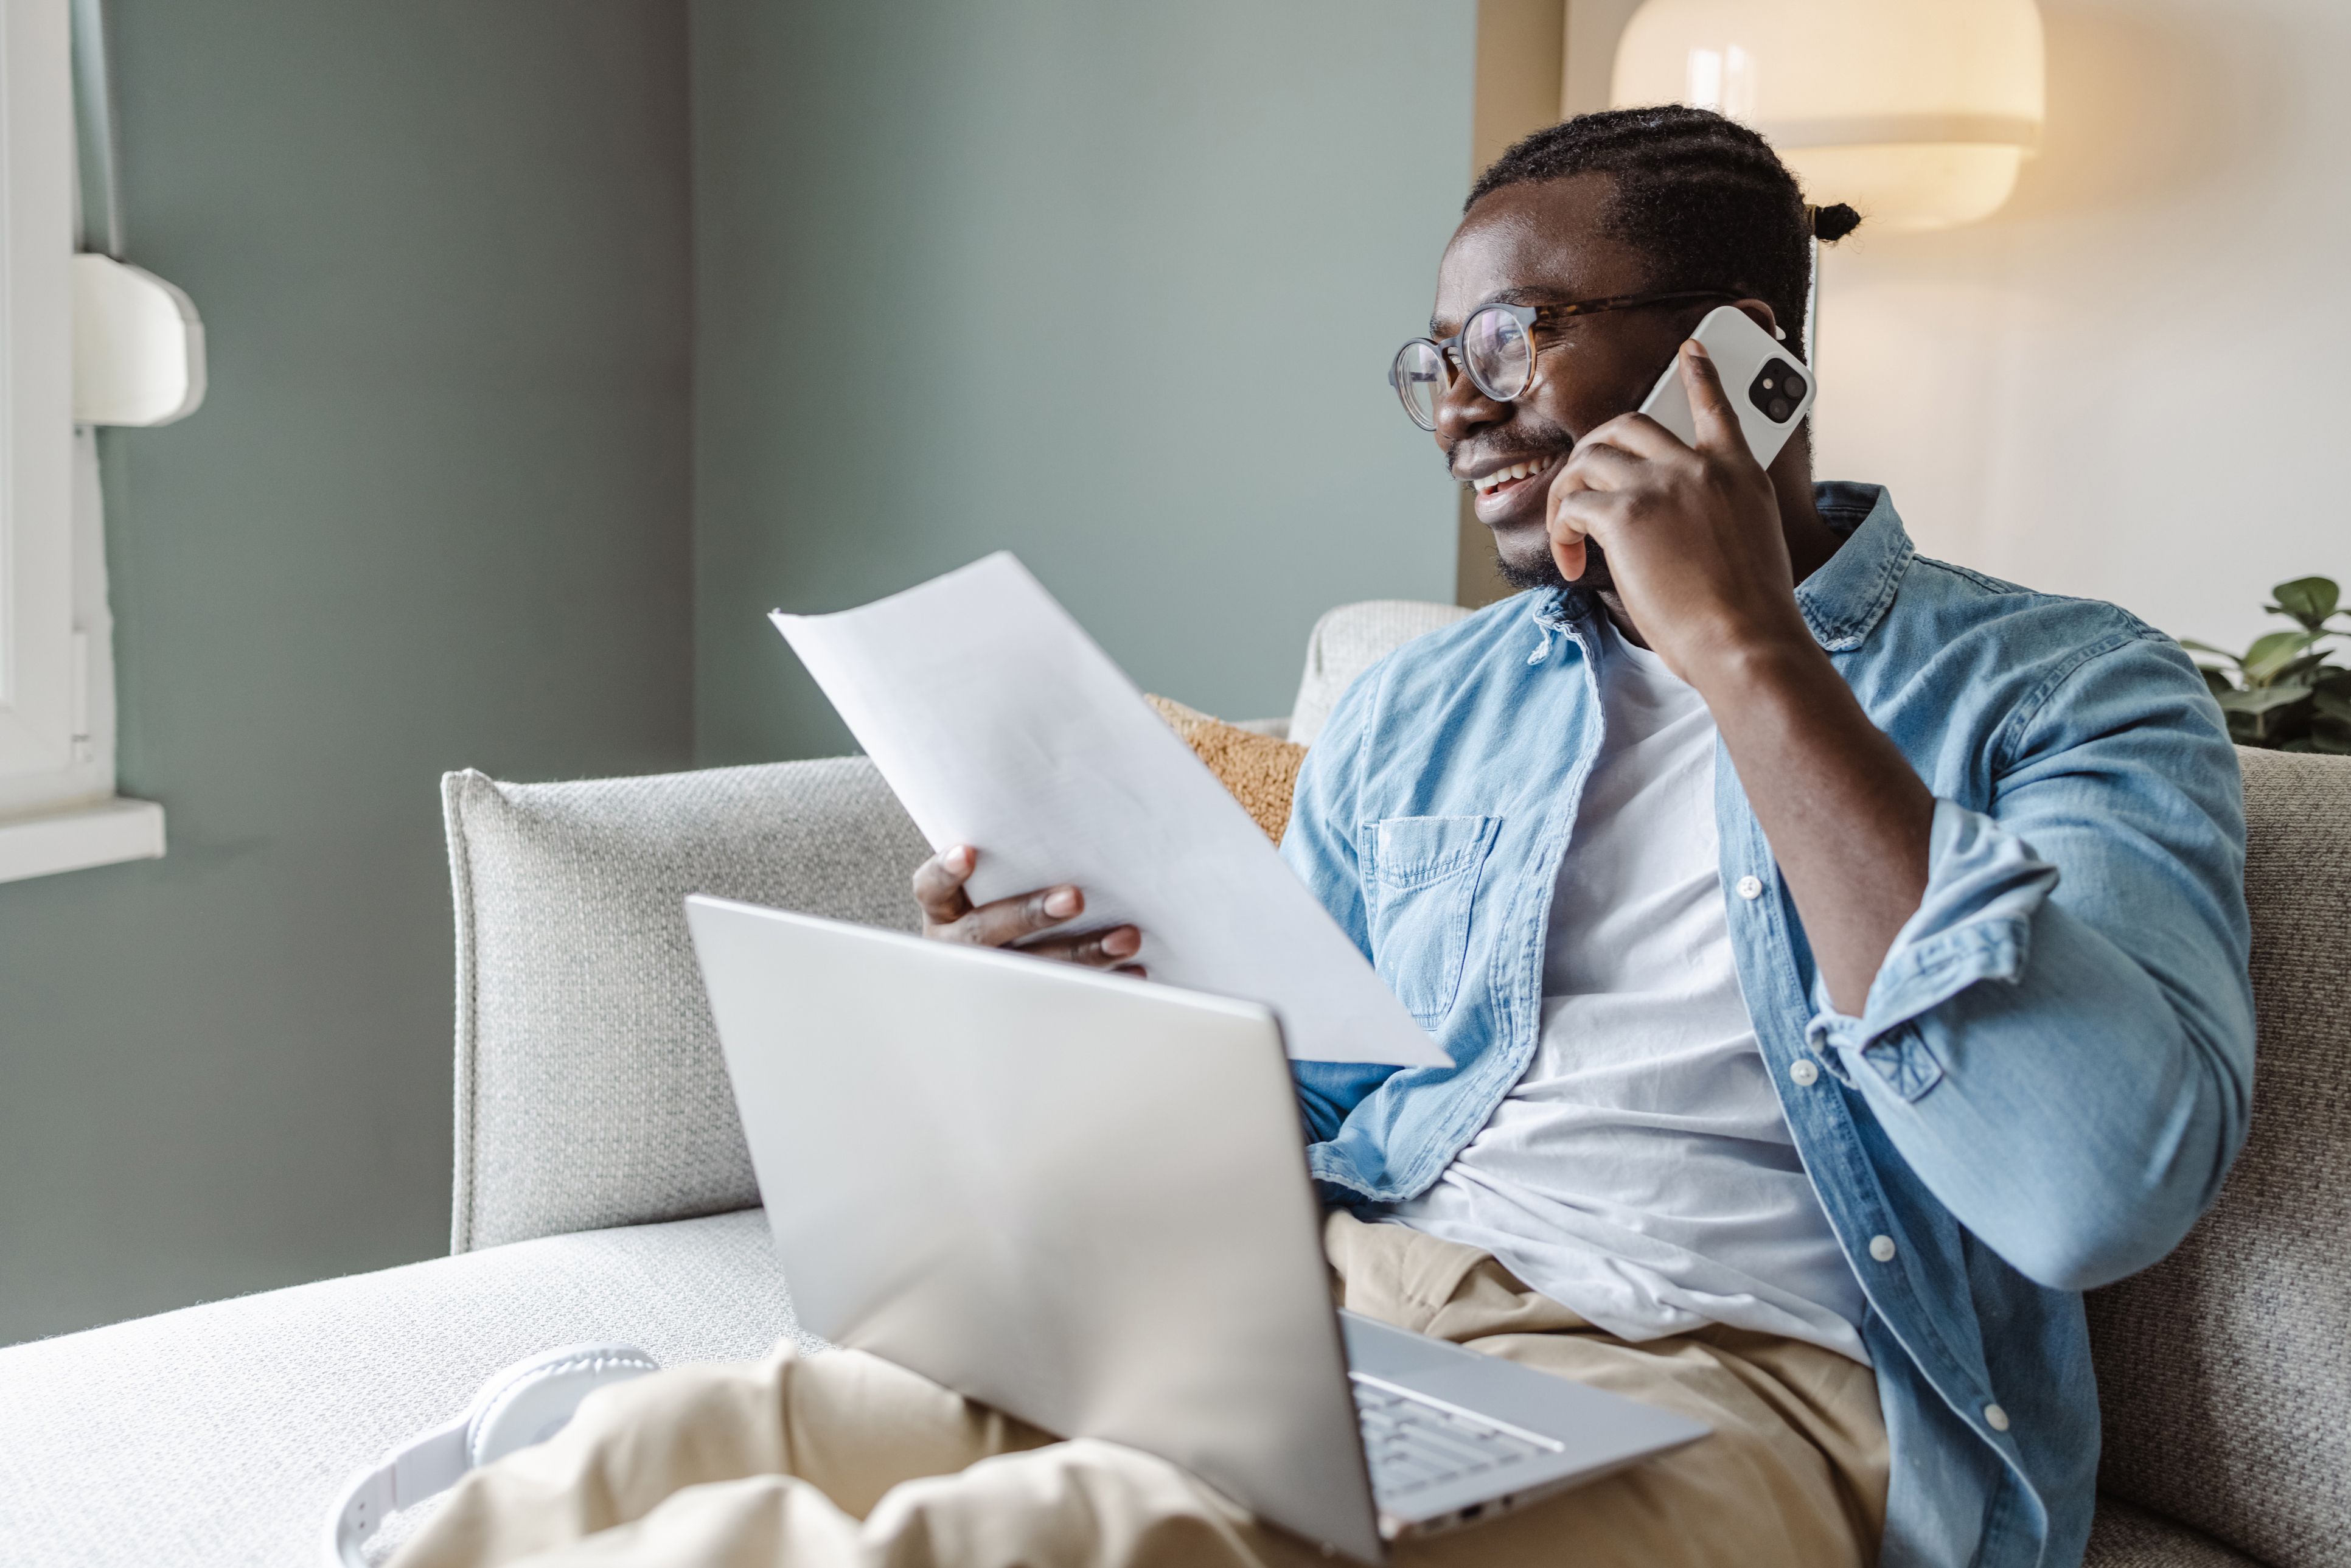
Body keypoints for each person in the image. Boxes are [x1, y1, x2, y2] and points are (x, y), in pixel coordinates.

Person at [392, 108, 2252, 1568]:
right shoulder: (1434, 704)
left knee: (1059, 1546)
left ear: (1743, 357)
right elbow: (1303, 1111)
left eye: (1513, 337)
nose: (1457, 404)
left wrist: (1750, 648)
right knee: (672, 1441)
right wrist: (1063, 1013)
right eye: (1433, 357)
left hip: (1751, 1392)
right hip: (1352, 1298)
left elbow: (2090, 1185)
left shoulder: (2070, 691)